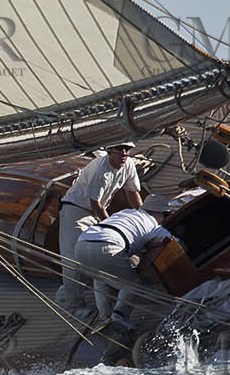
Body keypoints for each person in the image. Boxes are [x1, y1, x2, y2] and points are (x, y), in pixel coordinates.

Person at [56, 141, 143, 310]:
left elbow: (132, 192)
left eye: (128, 149)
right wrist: (110, 226)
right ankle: (72, 303)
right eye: (120, 148)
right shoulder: (101, 170)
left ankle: (106, 298)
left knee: (97, 254)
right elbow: (96, 204)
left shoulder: (129, 164)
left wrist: (145, 217)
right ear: (110, 149)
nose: (124, 152)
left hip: (96, 211)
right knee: (73, 260)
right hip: (76, 212)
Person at [71, 199, 177, 329]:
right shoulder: (155, 227)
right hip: (108, 247)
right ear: (158, 213)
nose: (165, 219)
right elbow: (173, 244)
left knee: (101, 279)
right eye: (166, 215)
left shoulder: (126, 212)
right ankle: (119, 316)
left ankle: (105, 318)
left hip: (81, 245)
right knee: (133, 285)